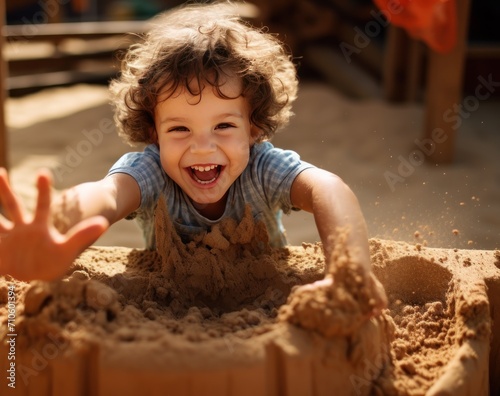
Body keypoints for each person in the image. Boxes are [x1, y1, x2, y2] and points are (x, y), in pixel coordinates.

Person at [0, 1, 386, 313]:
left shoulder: (263, 167)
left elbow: (328, 188)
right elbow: (105, 197)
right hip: (168, 310)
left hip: (263, 304)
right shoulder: (151, 170)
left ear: (253, 129)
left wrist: (349, 269)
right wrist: (60, 227)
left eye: (223, 127)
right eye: (179, 129)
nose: (202, 147)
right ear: (153, 134)